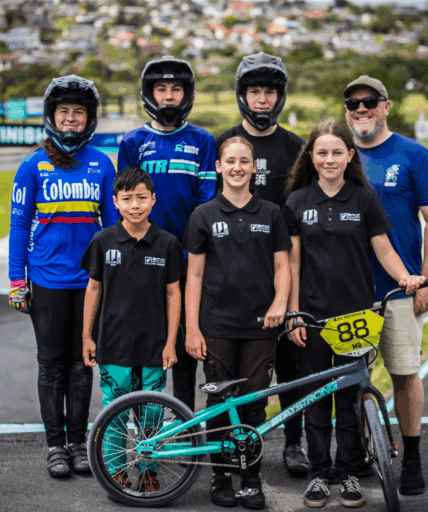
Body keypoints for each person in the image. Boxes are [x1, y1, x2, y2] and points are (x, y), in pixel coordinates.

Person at [283, 119, 425, 508]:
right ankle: (318, 474)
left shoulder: (364, 198)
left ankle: (347, 472)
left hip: (355, 317)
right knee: (314, 398)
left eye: (336, 152)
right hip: (311, 317)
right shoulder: (297, 202)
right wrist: (294, 313)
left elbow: (384, 248)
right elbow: (292, 263)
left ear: (350, 156)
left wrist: (407, 277)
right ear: (311, 157)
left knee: (348, 399)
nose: (329, 159)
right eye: (322, 152)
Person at [8, 75, 118, 478]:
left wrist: (116, 277)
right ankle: (55, 447)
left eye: (79, 112)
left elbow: (112, 226)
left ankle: (78, 443)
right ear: (51, 116)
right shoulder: (31, 165)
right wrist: (16, 281)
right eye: (64, 112)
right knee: (51, 366)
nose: (71, 119)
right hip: (47, 282)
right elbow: (19, 227)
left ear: (89, 119)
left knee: (81, 364)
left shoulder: (102, 164)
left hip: (90, 283)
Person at [343, 76, 428, 496]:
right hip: (349, 291)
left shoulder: (413, 155)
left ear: (386, 106)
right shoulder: (339, 156)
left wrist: (427, 278)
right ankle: (361, 456)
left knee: (405, 374)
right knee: (352, 380)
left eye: (370, 102)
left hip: (399, 288)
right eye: (353, 103)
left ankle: (413, 458)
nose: (361, 109)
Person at [183, 137, 291, 510]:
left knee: (254, 405)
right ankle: (221, 477)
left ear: (254, 167)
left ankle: (251, 477)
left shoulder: (272, 213)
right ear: (219, 167)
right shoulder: (203, 214)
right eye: (230, 161)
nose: (237, 167)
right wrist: (192, 328)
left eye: (245, 161)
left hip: (261, 326)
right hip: (216, 325)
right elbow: (193, 276)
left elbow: (283, 266)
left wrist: (279, 303)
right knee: (219, 401)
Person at [214, 52, 309, 476]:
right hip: (232, 277)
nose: (263, 98)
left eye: (270, 91)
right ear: (242, 95)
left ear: (280, 96)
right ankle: (224, 452)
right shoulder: (225, 143)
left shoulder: (295, 147)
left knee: (289, 364)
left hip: (280, 271)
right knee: (232, 377)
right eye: (255, 90)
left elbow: (300, 220)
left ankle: (293, 443)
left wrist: (291, 295)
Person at [118, 56, 217, 414]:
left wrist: (193, 248)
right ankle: (150, 425)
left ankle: (188, 425)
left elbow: (206, 199)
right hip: (146, 257)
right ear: (149, 94)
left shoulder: (203, 140)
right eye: (161, 89)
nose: (169, 96)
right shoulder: (133, 141)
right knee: (151, 346)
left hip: (191, 258)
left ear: (187, 94)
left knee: (189, 344)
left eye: (176, 89)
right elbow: (128, 201)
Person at [80, 166, 183, 494]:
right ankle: (116, 471)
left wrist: (170, 341)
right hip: (114, 345)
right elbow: (93, 289)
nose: (135, 205)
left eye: (141, 198)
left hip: (154, 345)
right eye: (127, 199)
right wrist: (86, 335)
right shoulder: (103, 241)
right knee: (115, 412)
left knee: (152, 412)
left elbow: (173, 293)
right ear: (116, 202)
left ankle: (150, 470)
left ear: (153, 200)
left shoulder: (166, 243)